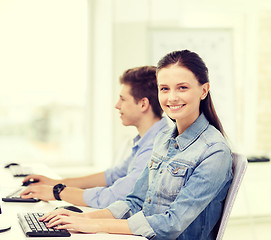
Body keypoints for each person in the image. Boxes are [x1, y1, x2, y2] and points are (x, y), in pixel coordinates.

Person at [38, 50, 233, 240]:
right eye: (164, 88)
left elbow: (171, 224)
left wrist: (93, 225)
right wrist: (82, 218)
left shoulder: (214, 151)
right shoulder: (163, 139)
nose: (172, 97)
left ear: (204, 90)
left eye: (182, 88)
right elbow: (135, 201)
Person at [20, 66, 169, 208]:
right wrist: (57, 182)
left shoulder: (156, 146)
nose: (117, 105)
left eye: (123, 99)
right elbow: (113, 175)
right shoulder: (147, 139)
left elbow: (115, 196)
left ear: (143, 104)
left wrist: (57, 192)